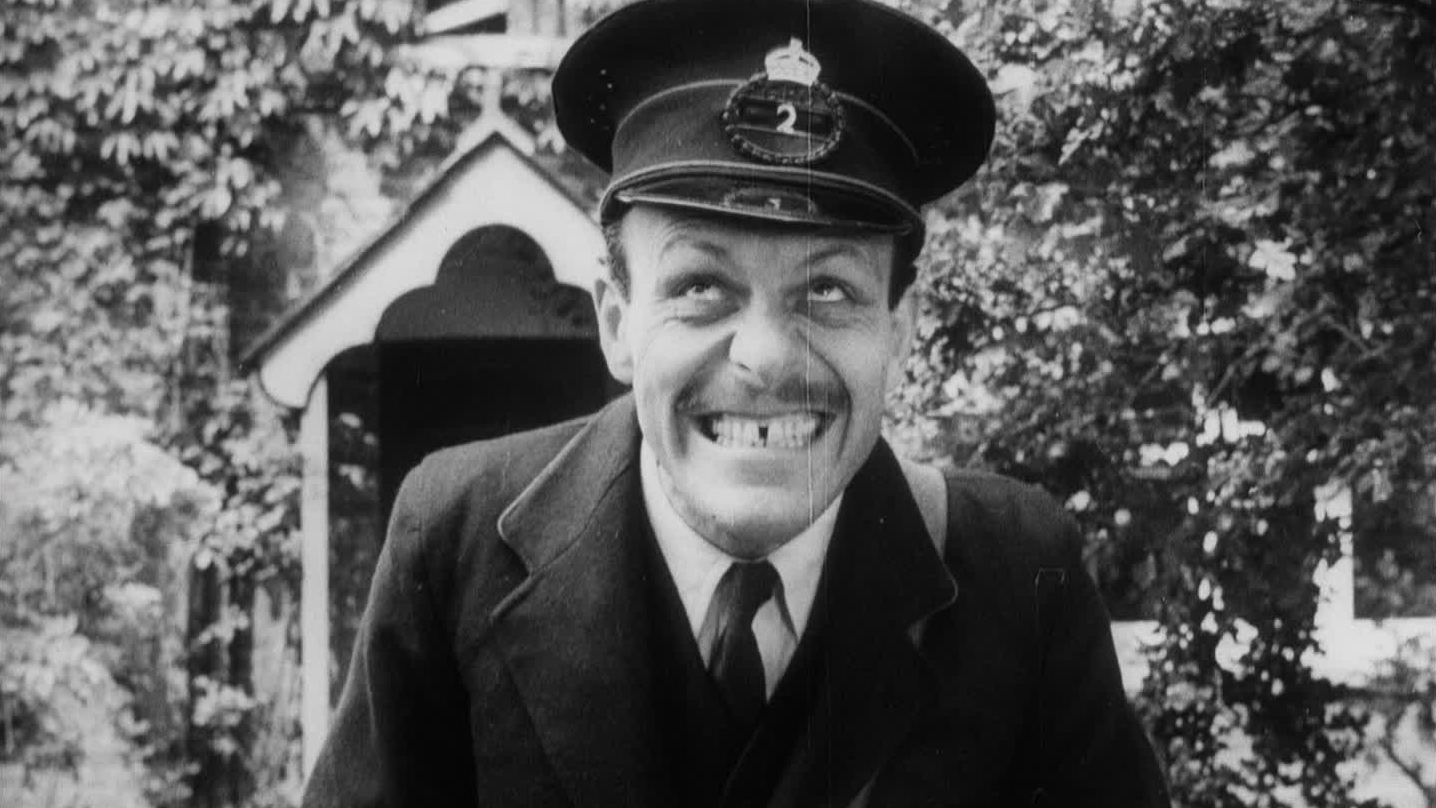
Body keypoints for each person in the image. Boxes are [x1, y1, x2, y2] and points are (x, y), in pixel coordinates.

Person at [302, 0, 1171, 805]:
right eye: (700, 286)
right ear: (617, 323)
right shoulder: (456, 543)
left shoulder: (1018, 577)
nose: (765, 357)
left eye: (827, 290)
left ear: (899, 333)